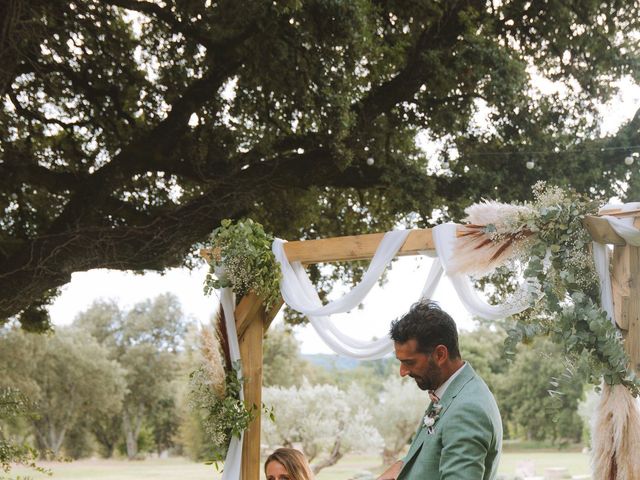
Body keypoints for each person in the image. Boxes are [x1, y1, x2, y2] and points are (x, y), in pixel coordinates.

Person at [377, 301, 502, 480]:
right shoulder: (452, 391)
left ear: (440, 355)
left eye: (410, 362)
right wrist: (401, 466)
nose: (403, 372)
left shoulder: (467, 410)